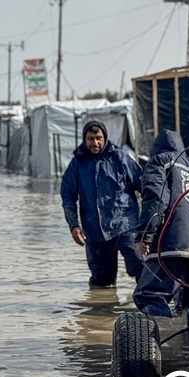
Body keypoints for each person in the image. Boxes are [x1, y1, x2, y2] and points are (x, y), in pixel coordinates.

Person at [61, 120, 143, 288]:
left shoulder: (120, 158)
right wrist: (74, 225)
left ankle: (148, 310)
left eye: (98, 138)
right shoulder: (77, 164)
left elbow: (143, 184)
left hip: (126, 226)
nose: (95, 143)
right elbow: (67, 196)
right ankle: (101, 312)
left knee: (142, 269)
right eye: (90, 138)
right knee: (102, 282)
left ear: (105, 138)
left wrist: (153, 218)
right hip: (95, 230)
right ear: (85, 140)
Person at [133, 130, 189, 318]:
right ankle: (186, 346)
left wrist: (145, 236)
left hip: (171, 242)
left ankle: (159, 343)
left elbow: (156, 200)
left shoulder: (159, 162)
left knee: (149, 296)